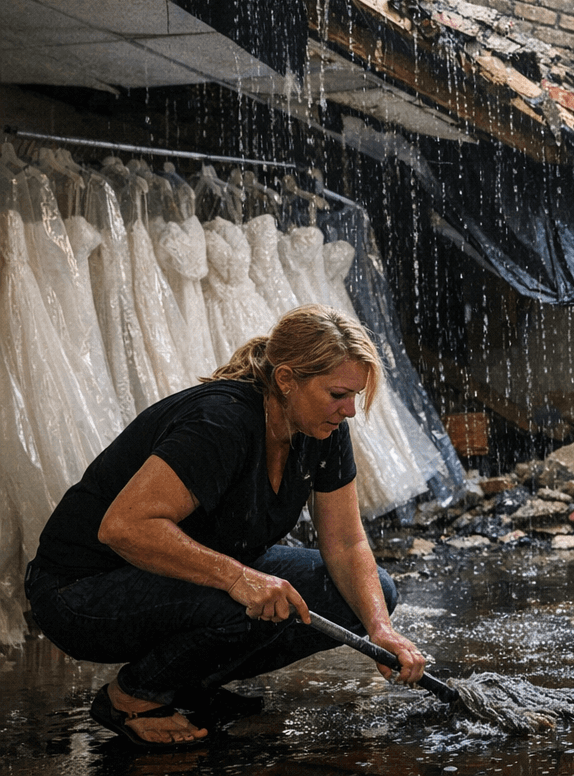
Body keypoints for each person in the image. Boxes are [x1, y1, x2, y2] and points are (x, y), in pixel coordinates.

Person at [25, 304, 428, 748]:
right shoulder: (221, 421)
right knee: (247, 604)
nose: (349, 410)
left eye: (355, 395)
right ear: (287, 380)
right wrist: (239, 578)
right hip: (81, 592)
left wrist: (380, 629)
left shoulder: (324, 430)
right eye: (338, 394)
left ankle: (187, 684)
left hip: (174, 577)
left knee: (372, 594)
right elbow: (124, 528)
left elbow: (348, 543)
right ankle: (133, 697)